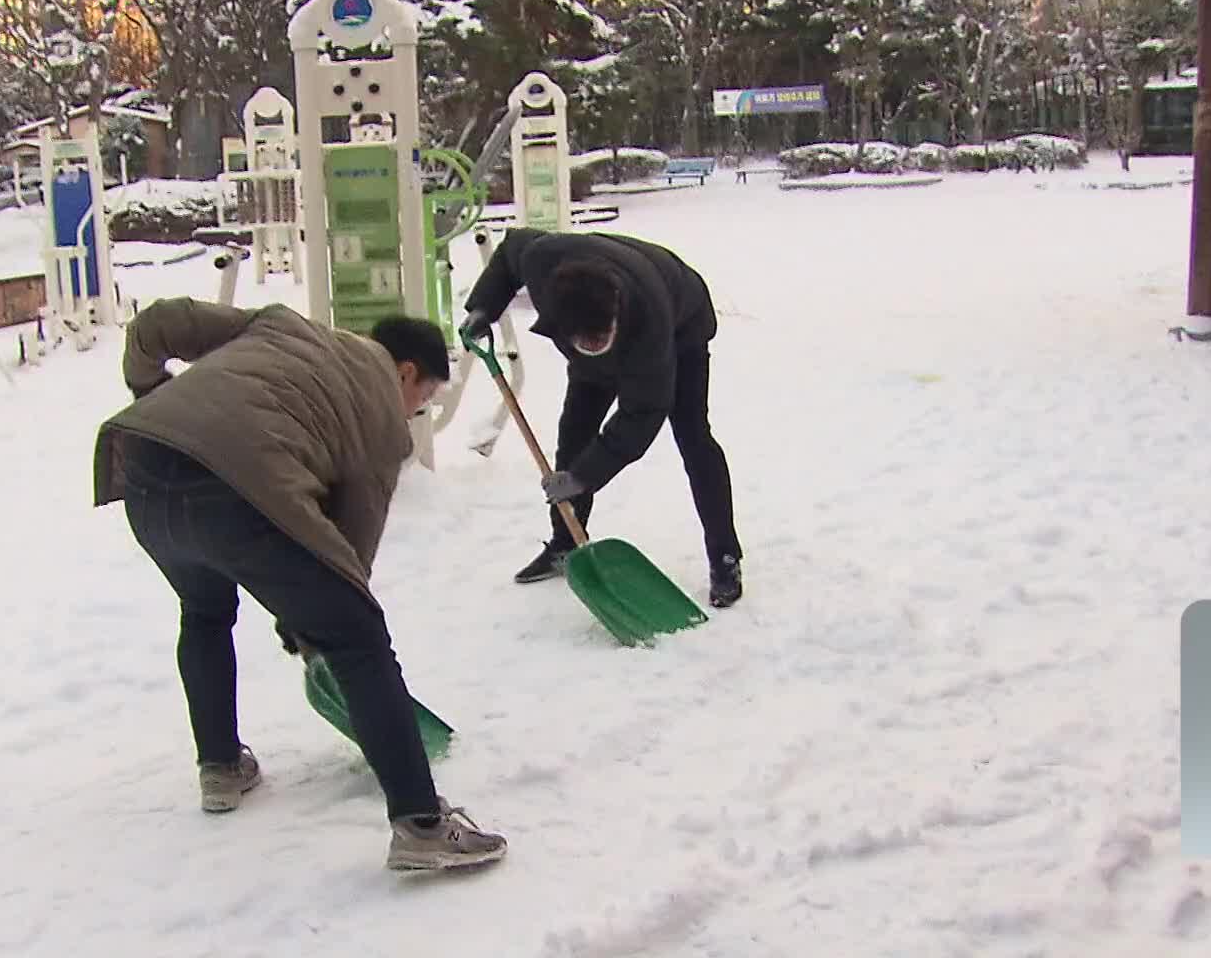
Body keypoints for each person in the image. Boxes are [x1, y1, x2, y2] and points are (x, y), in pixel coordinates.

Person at [92, 297, 507, 872]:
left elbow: (156, 323)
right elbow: (348, 552)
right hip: (237, 481)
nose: (416, 412)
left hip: (140, 461)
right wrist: (314, 630)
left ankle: (220, 767)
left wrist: (151, 394)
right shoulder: (381, 419)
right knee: (359, 637)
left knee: (205, 611)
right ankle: (421, 824)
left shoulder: (281, 325)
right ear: (407, 372)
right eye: (424, 399)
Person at [458, 227, 743, 607]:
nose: (593, 347)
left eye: (600, 339)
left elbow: (642, 414)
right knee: (574, 435)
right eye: (585, 343)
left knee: (693, 437)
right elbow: (511, 251)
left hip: (681, 324)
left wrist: (582, 477)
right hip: (607, 312)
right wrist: (483, 307)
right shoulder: (542, 260)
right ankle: (566, 542)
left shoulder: (648, 321)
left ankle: (725, 558)